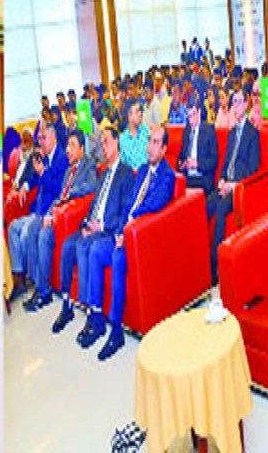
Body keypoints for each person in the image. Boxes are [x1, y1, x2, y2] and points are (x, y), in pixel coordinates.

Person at [87, 125, 176, 360]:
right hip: (124, 233)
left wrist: (129, 228)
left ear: (165, 148)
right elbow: (128, 204)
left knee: (117, 256)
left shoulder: (167, 176)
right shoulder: (144, 169)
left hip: (140, 238)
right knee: (96, 250)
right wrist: (119, 230)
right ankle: (96, 316)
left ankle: (116, 331)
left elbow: (154, 205)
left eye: (157, 142)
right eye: (150, 141)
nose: (151, 147)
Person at [52, 127, 134, 336]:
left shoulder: (126, 173)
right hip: (94, 225)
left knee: (88, 246)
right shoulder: (103, 173)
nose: (103, 148)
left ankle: (92, 314)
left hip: (107, 230)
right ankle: (67, 304)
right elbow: (94, 204)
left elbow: (124, 209)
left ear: (117, 142)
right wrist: (87, 223)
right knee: (69, 244)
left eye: (106, 142)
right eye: (101, 143)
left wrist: (103, 226)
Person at [23, 130, 97, 312]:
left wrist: (69, 196)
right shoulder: (68, 170)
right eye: (67, 145)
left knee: (44, 234)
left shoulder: (89, 165)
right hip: (57, 212)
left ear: (82, 148)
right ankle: (37, 285)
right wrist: (49, 213)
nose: (68, 150)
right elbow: (58, 196)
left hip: (69, 216)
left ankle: (44, 291)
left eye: (72, 145)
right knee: (34, 228)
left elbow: (90, 186)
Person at [205, 89, 260, 285]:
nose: (235, 106)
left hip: (238, 188)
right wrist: (221, 180)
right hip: (225, 183)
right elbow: (226, 161)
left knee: (220, 209)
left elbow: (253, 169)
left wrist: (233, 185)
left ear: (246, 105)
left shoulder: (253, 134)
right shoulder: (231, 134)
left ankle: (215, 267)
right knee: (203, 207)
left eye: (238, 102)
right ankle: (201, 263)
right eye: (233, 102)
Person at [7, 124, 69, 298]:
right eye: (40, 138)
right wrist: (25, 186)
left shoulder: (61, 159)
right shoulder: (46, 157)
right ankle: (19, 277)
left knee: (28, 232)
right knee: (13, 227)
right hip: (37, 210)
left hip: (48, 213)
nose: (40, 142)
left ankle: (37, 283)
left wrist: (43, 173)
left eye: (43, 138)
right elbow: (34, 177)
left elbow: (59, 189)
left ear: (53, 137)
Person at [178, 96, 218, 194]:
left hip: (202, 178)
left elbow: (213, 161)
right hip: (188, 177)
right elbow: (181, 157)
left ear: (199, 112)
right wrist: (182, 164)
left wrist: (197, 164)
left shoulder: (209, 130)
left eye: (193, 115)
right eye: (189, 116)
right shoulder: (187, 131)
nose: (191, 120)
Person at [119, 100, 150, 169]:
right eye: (137, 111)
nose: (140, 114)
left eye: (140, 111)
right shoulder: (123, 139)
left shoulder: (146, 131)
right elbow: (123, 165)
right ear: (129, 115)